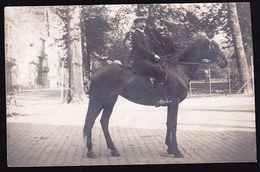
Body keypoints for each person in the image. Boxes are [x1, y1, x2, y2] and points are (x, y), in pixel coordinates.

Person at [131, 16, 171, 107]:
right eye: (141, 22)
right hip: (139, 61)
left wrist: (156, 56)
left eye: (144, 22)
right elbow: (141, 49)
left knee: (163, 67)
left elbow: (148, 49)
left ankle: (162, 93)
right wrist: (153, 55)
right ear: (136, 24)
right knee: (159, 71)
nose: (143, 24)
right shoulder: (135, 35)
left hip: (146, 60)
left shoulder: (143, 35)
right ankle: (157, 99)